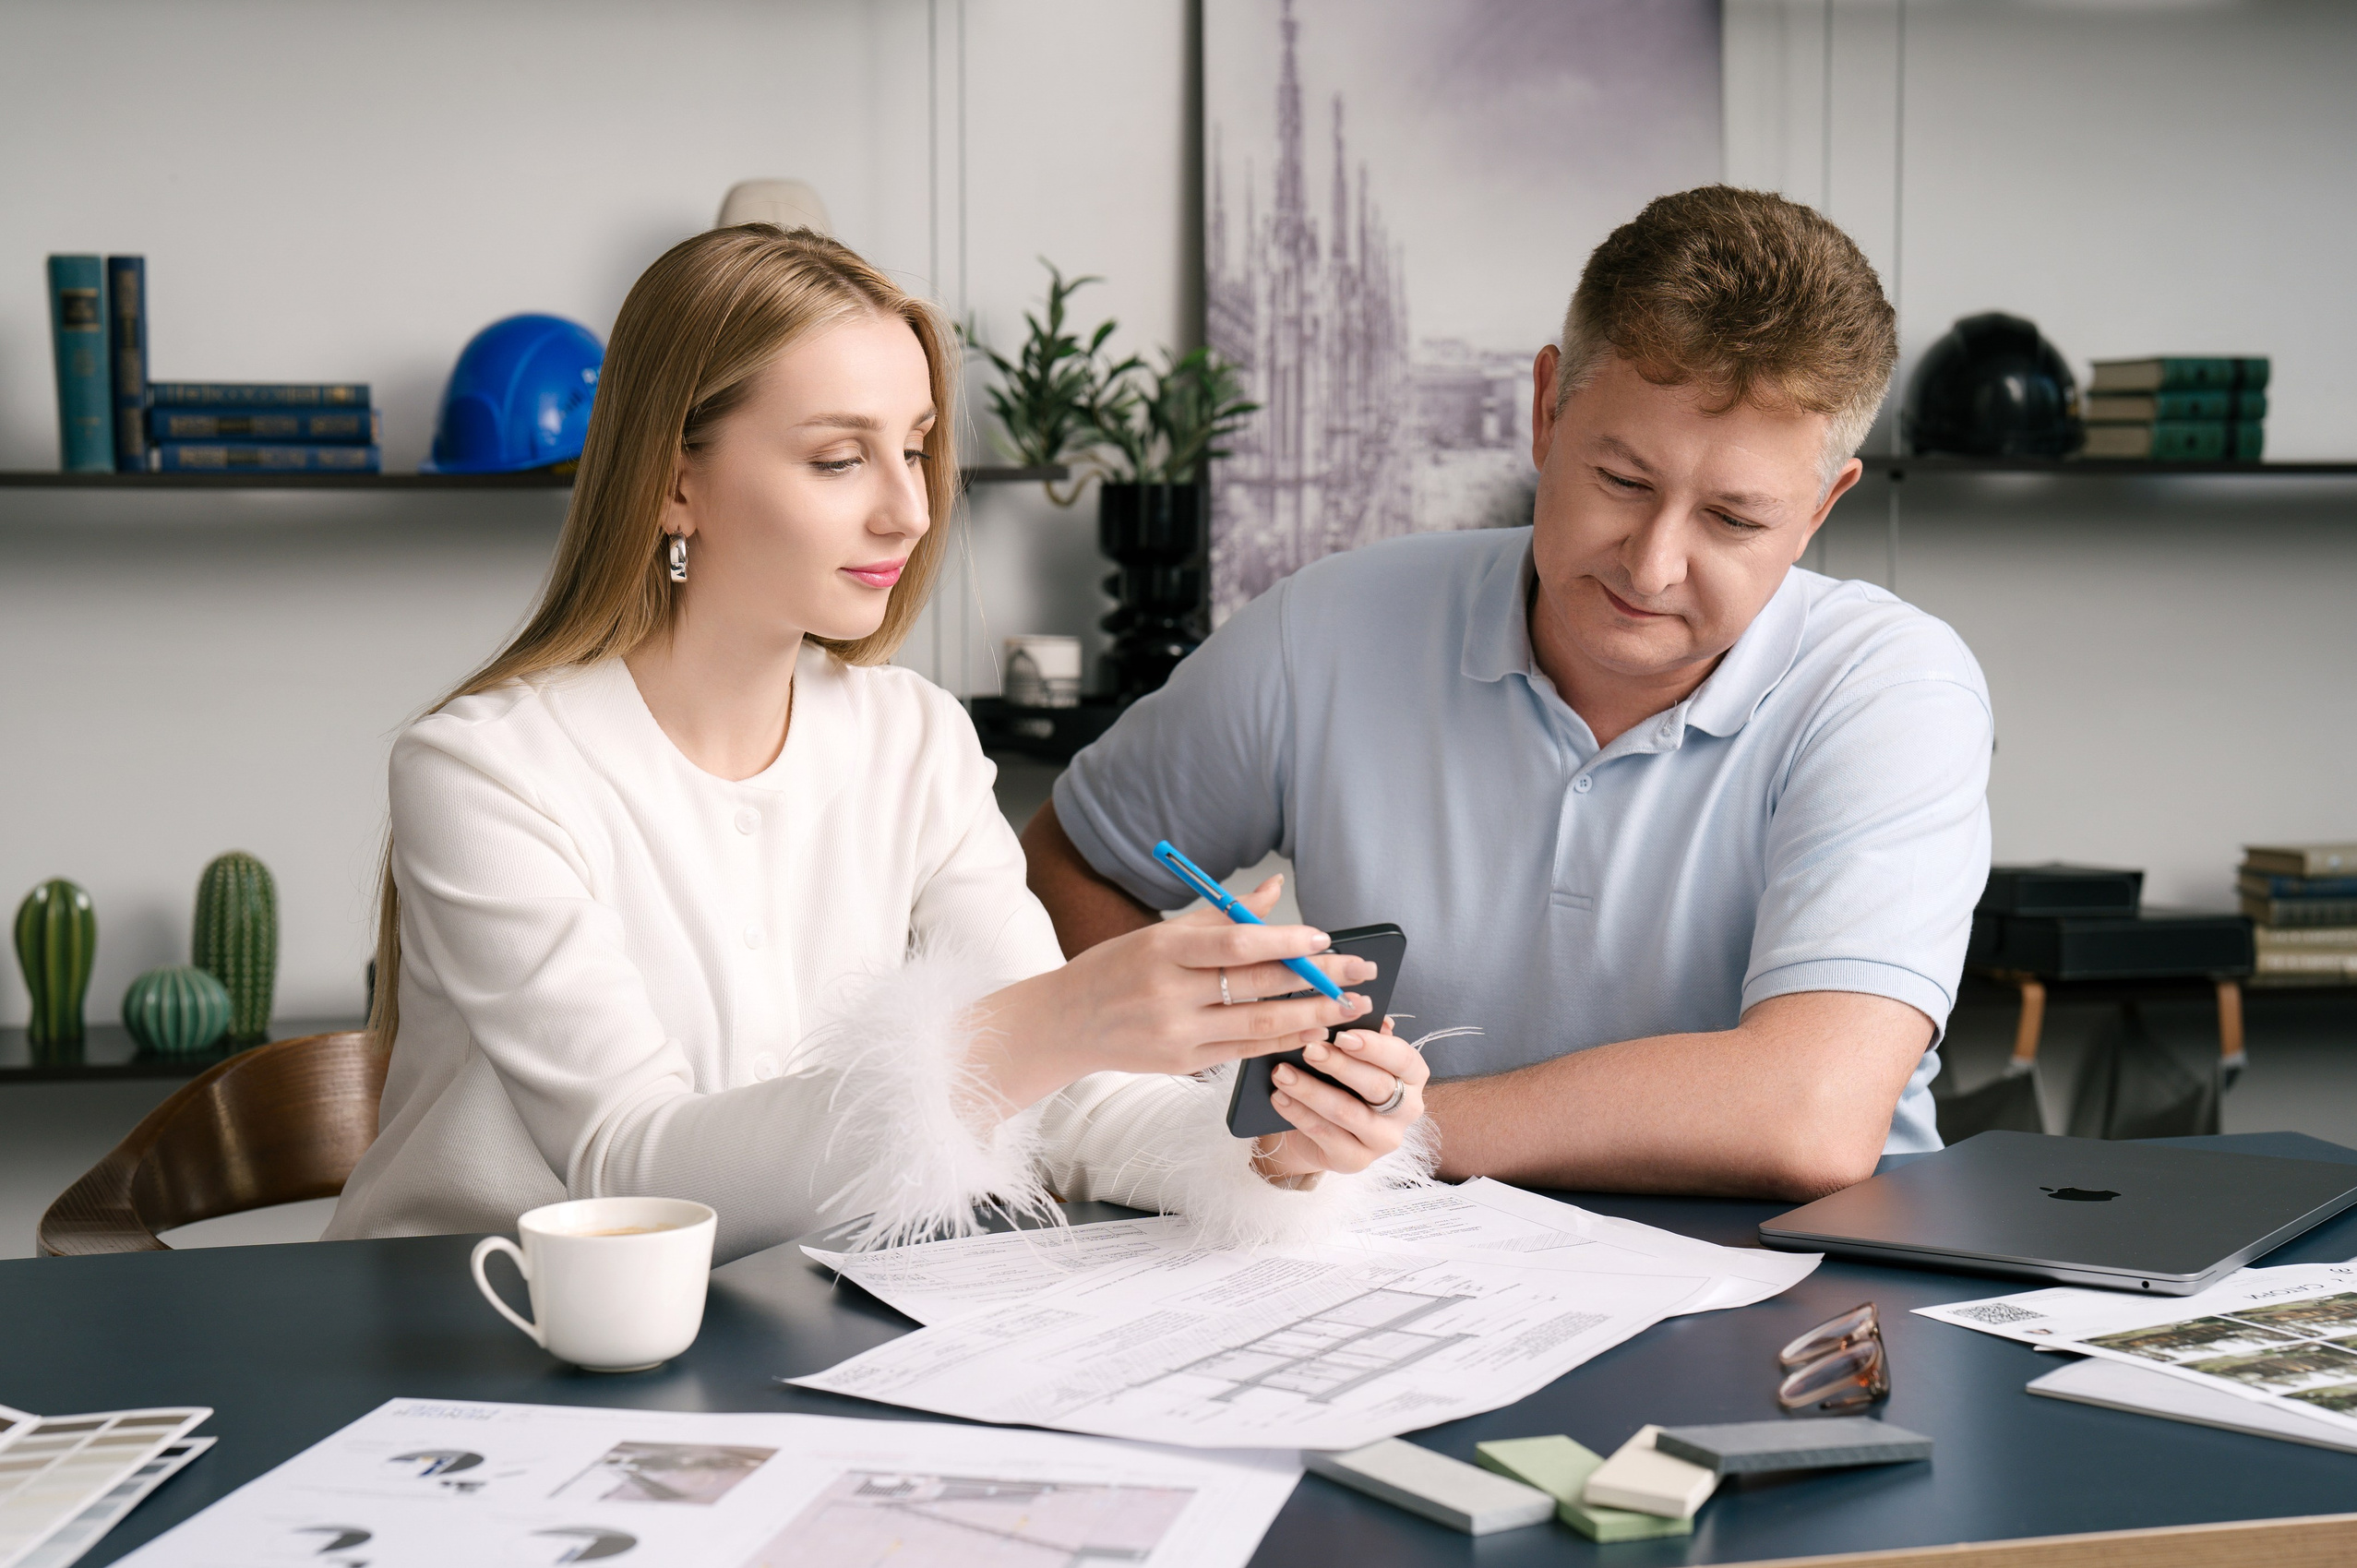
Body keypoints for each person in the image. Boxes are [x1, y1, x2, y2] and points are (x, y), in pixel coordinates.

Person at [327, 225, 1433, 1264]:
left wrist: (1276, 1148)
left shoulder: (916, 739)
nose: (908, 511)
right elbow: (630, 1168)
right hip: (480, 1330)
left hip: (778, 1329)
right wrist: (1064, 1015)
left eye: (913, 449)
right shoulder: (485, 771)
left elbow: (1059, 1098)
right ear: (675, 480)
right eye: (838, 459)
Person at [1024, 186, 1993, 1201]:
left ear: (1822, 507)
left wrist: (1367, 1130)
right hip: (1393, 1276)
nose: (1653, 565)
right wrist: (1207, 1093)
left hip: (1788, 1299)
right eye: (1620, 479)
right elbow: (1070, 860)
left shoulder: (1893, 689)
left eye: (1733, 520)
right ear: (1545, 411)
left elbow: (1808, 1115)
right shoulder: (1326, 627)